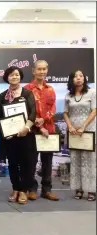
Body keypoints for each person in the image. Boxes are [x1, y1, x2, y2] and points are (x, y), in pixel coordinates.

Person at [0, 66, 36, 205]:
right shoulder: (2, 96)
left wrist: (26, 127)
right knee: (12, 164)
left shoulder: (27, 94)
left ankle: (24, 190)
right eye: (11, 75)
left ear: (20, 77)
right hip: (10, 137)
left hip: (25, 135)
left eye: (17, 75)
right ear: (7, 78)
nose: (14, 77)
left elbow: (33, 112)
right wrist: (3, 130)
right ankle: (15, 188)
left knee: (26, 163)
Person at [24, 60, 59, 201]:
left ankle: (47, 190)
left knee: (47, 161)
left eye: (44, 69)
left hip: (48, 131)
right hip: (33, 131)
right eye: (39, 69)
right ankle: (32, 189)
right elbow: (27, 111)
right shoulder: (27, 89)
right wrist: (39, 125)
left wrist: (44, 120)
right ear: (33, 71)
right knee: (31, 161)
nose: (42, 72)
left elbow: (53, 108)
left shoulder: (51, 89)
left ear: (47, 70)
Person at [63, 70, 96, 201]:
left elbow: (94, 111)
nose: (78, 78)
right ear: (71, 79)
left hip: (88, 130)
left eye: (81, 76)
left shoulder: (92, 92)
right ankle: (79, 189)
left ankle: (91, 190)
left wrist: (83, 126)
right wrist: (70, 126)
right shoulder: (68, 96)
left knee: (90, 161)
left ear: (84, 78)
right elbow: (65, 113)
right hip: (73, 131)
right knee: (75, 160)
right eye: (76, 76)